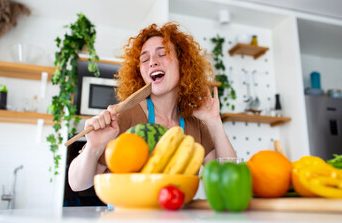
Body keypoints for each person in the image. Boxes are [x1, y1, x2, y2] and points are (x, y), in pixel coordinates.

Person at [68, 22, 236, 191]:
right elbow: (77, 184)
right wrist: (93, 148)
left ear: (183, 63)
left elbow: (227, 180)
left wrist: (214, 121)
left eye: (162, 54)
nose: (153, 62)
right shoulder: (124, 116)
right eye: (145, 59)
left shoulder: (195, 125)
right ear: (140, 73)